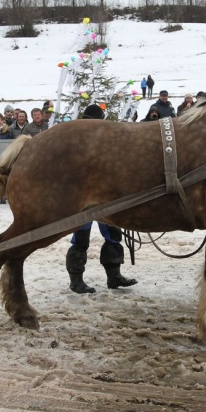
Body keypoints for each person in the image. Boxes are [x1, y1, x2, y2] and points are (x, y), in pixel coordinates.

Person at [66, 104, 136, 293]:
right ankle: (76, 280)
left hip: (105, 196)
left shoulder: (103, 139)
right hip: (84, 198)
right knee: (81, 238)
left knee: (113, 236)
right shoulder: (78, 140)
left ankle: (114, 276)